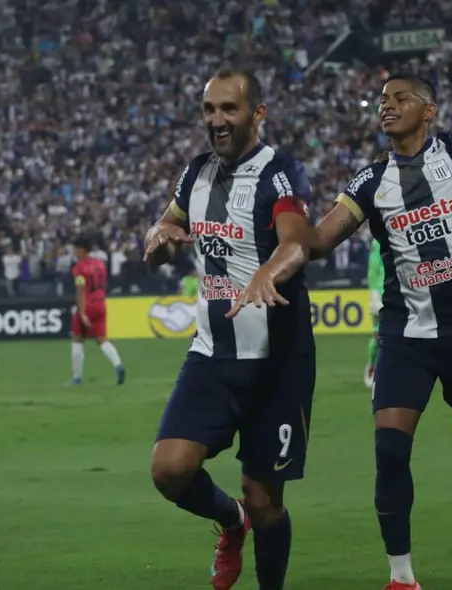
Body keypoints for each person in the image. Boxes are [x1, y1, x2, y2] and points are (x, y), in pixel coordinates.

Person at [245, 73, 452, 590]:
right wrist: (281, 233)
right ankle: (401, 577)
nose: (387, 107)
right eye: (382, 101)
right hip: (405, 333)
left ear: (430, 110)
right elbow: (321, 240)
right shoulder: (370, 183)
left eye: (401, 99)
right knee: (391, 450)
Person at [143, 67, 315, 590]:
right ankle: (229, 520)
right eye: (209, 110)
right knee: (169, 470)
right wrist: (162, 234)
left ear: (256, 114)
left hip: (275, 362)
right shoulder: (195, 174)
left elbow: (297, 240)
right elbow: (168, 226)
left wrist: (267, 272)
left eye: (229, 109)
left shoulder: (280, 171)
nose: (217, 120)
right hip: (212, 356)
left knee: (266, 498)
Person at [69, 235, 125, 385]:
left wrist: (81, 312)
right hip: (101, 303)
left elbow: (81, 290)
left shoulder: (79, 268)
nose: (74, 252)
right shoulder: (100, 264)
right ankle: (118, 365)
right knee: (102, 340)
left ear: (81, 249)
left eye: (75, 249)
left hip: (87, 305)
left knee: (77, 339)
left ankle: (77, 378)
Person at [365, 237, 384, 388]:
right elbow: (373, 269)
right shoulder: (378, 241)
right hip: (381, 294)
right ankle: (371, 367)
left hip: (398, 292)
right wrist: (374, 293)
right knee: (378, 335)